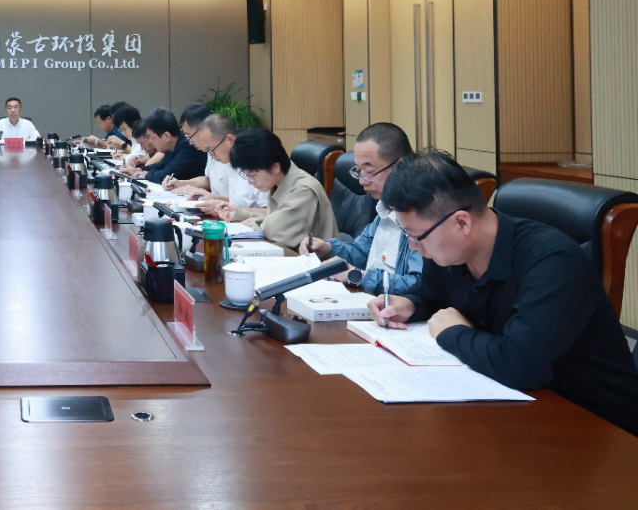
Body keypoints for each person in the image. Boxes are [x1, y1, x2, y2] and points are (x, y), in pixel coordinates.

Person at [371, 150, 638, 436]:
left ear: (461, 222)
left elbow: (519, 365)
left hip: (596, 428)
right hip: (513, 412)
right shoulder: (450, 251)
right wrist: (410, 303)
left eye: (416, 236)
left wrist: (452, 333)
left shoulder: (553, 261)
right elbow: (434, 297)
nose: (414, 247)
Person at [298, 123, 421, 295]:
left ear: (400, 166)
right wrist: (328, 248)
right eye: (358, 171)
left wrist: (358, 276)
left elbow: (418, 285)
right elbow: (363, 252)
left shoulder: (421, 216)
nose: (362, 181)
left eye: (369, 172)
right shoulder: (386, 207)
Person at [208, 127, 337, 250]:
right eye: (247, 176)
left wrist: (254, 223)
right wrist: (240, 213)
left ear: (275, 167)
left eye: (253, 175)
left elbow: (274, 230)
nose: (251, 182)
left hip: (317, 262)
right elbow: (274, 218)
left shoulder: (304, 190)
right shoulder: (278, 182)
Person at [165, 114, 268, 210]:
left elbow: (269, 212)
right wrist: (214, 199)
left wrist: (234, 210)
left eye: (211, 150)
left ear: (230, 140)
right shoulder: (228, 163)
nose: (211, 155)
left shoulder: (255, 164)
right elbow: (237, 203)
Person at [121, 108, 204, 183]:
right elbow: (160, 166)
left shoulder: (188, 148)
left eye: (152, 138)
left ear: (166, 136)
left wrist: (145, 174)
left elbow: (164, 175)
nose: (151, 141)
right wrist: (138, 170)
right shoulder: (171, 147)